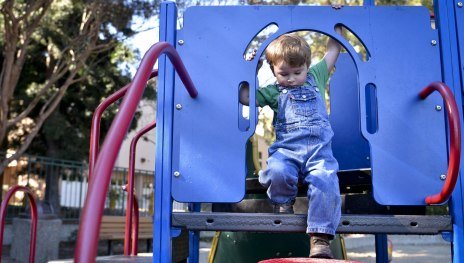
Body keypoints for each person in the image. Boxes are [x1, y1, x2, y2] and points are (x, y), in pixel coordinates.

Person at [239, 27, 342, 259]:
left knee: (327, 181)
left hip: (319, 153)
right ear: (273, 70)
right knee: (276, 170)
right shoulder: (274, 92)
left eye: (298, 72)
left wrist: (336, 24)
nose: (292, 79)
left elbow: (333, 49)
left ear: (307, 65)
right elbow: (245, 97)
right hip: (287, 152)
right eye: (284, 73)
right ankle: (284, 202)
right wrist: (250, 69)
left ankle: (320, 238)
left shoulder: (317, 76)